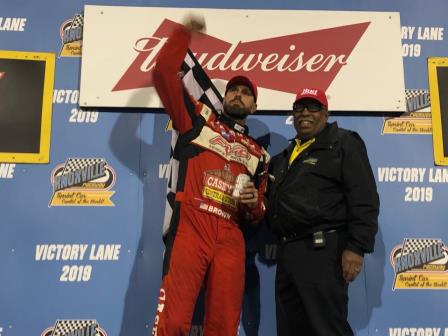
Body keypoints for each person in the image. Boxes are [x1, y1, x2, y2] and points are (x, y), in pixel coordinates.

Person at [151, 15, 269, 336]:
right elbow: (163, 75)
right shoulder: (197, 120)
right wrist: (182, 34)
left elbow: (258, 214)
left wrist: (253, 203)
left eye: (246, 93)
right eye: (233, 90)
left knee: (222, 328)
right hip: (191, 224)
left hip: (231, 236)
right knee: (172, 324)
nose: (238, 95)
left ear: (254, 106)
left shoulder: (258, 155)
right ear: (224, 96)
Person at [267, 88, 379, 336]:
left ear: (325, 113)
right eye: (299, 107)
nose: (305, 112)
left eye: (313, 107)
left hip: (323, 250)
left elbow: (365, 197)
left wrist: (357, 246)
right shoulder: (282, 158)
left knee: (326, 328)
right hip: (288, 253)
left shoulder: (344, 142)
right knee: (289, 329)